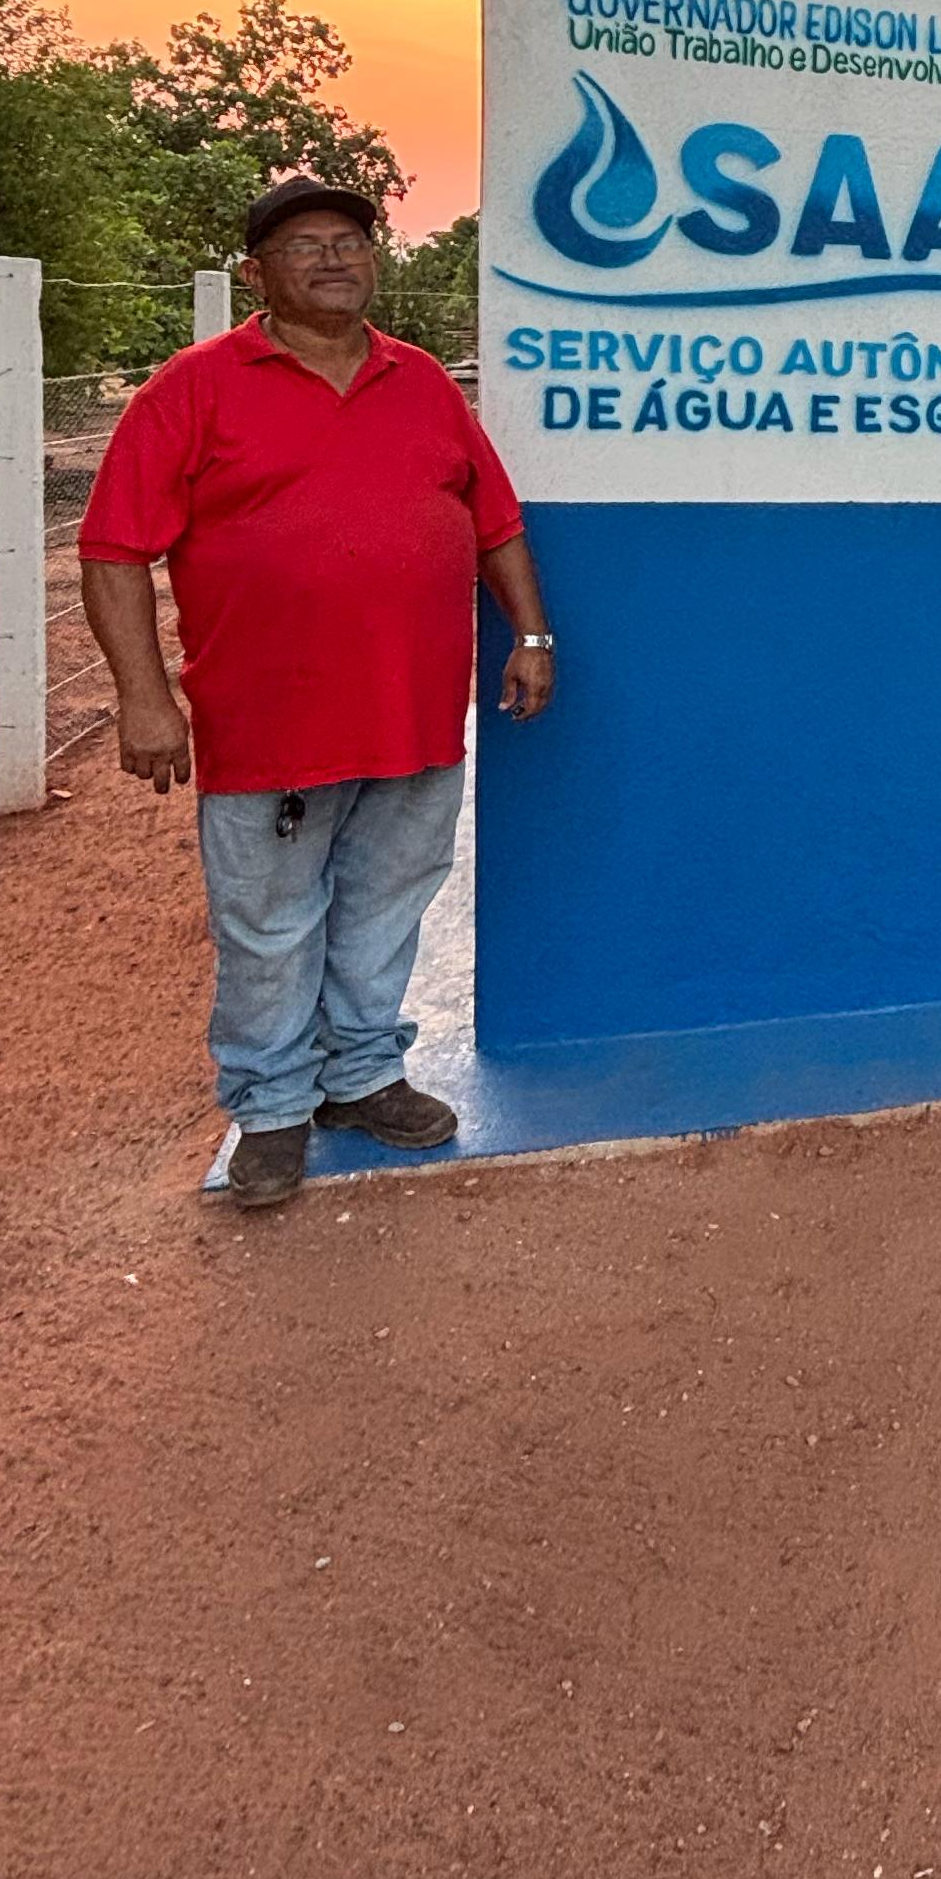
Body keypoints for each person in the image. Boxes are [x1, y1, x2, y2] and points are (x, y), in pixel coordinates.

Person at [77, 177, 554, 1211]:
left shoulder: (420, 380)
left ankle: (362, 1077)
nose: (334, 259)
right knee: (269, 923)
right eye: (305, 246)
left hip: (414, 713)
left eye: (350, 241)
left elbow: (493, 521)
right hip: (267, 726)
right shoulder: (193, 389)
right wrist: (144, 698)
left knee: (388, 905)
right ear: (261, 273)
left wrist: (531, 632)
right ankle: (273, 1105)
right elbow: (113, 551)